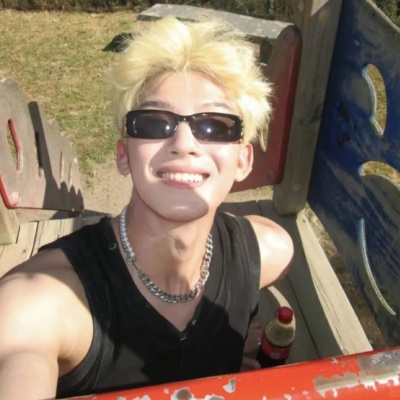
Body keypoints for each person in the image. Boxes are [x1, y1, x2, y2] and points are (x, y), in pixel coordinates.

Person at [0, 15, 293, 399]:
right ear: (124, 155)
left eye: (215, 125)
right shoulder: (40, 301)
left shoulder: (268, 252)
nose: (184, 144)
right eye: (154, 123)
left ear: (243, 161)